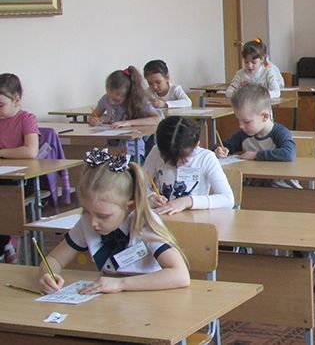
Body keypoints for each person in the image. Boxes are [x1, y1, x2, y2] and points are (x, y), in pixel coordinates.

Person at [39, 148, 190, 294]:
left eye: (103, 216)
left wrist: (120, 284)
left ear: (130, 207)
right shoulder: (88, 221)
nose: (93, 222)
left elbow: (180, 275)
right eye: (87, 211)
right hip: (111, 301)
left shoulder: (144, 222)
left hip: (150, 297)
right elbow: (54, 260)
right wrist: (48, 276)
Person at [143, 116, 234, 214]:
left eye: (183, 160)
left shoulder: (206, 158)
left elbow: (228, 199)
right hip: (162, 218)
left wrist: (188, 201)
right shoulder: (156, 152)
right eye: (170, 162)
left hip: (196, 219)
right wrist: (150, 196)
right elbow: (140, 184)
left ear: (197, 145)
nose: (177, 165)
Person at [215, 84, 299, 189]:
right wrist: (219, 150)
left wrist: (256, 155)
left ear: (265, 116)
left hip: (284, 189)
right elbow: (224, 145)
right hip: (254, 189)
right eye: (239, 120)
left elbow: (288, 154)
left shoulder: (280, 133)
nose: (241, 126)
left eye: (246, 121)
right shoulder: (243, 134)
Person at [0, 73, 39, 264]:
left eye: (1, 105)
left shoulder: (26, 118)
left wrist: (2, 153)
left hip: (23, 179)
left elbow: (30, 151)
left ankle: (6, 242)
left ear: (16, 100)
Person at [88, 66, 160, 160]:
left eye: (116, 100)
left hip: (132, 150)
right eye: (109, 96)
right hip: (110, 149)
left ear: (128, 95)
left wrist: (128, 123)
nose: (111, 102)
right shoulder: (105, 99)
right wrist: (93, 119)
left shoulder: (139, 101)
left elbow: (157, 119)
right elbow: (94, 115)